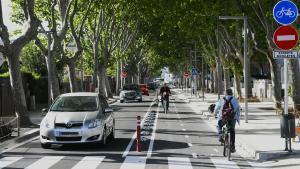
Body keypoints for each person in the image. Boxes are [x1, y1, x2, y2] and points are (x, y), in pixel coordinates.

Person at [214, 88, 240, 153]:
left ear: (225, 93)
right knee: (232, 131)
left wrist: (215, 114)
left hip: (223, 117)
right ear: (232, 93)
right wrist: (237, 118)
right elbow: (237, 109)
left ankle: (221, 135)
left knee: (219, 125)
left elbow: (216, 108)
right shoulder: (235, 99)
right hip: (232, 117)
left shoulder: (221, 99)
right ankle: (232, 147)